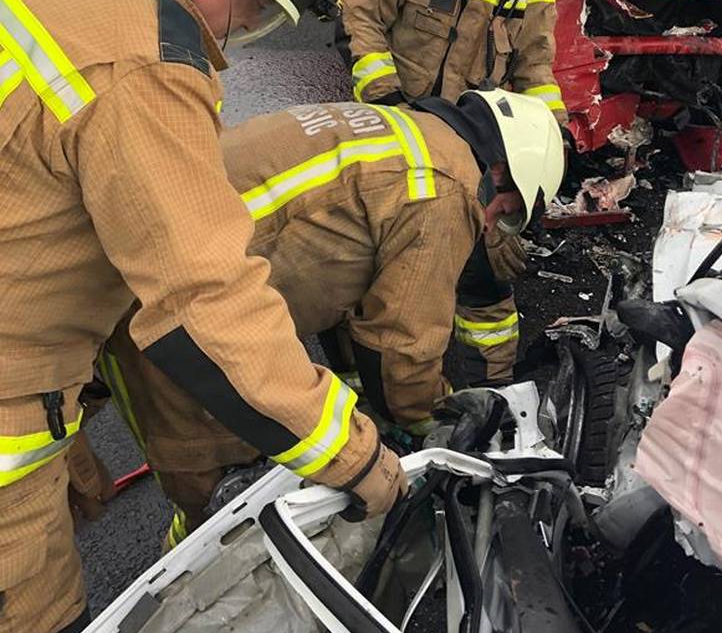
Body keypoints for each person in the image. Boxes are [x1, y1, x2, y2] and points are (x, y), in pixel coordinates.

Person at [0, 0, 404, 633]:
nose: (242, 37)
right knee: (38, 626)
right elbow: (206, 301)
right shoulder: (142, 64)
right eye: (257, 9)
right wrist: (354, 454)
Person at [98, 87, 566, 543]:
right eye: (505, 211)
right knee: (223, 502)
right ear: (500, 172)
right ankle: (198, 594)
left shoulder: (409, 131)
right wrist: (438, 424)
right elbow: (401, 350)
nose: (491, 225)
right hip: (171, 311)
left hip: (133, 260)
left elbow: (344, 260)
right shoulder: (445, 190)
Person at [336, 0, 568, 385]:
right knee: (375, 256)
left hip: (472, 145)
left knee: (484, 270)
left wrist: (549, 145)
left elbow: (536, 71)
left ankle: (496, 389)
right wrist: (385, 94)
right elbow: (358, 16)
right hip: (393, 124)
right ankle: (363, 376)